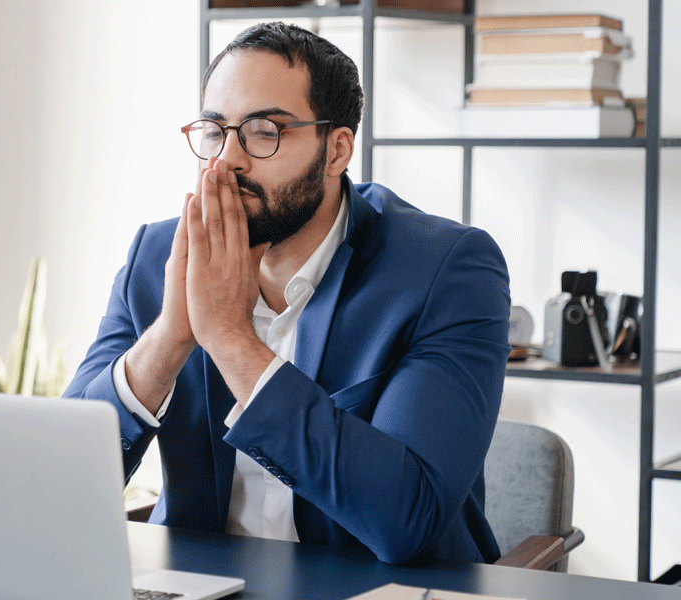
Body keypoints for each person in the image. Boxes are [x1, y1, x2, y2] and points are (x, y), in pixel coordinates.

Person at [62, 22, 510, 566]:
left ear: (336, 150)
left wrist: (229, 338)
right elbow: (61, 476)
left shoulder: (446, 272)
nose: (227, 160)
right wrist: (170, 337)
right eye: (215, 130)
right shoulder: (159, 256)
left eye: (264, 131)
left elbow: (405, 519)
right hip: (199, 583)